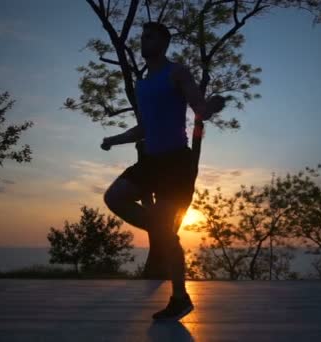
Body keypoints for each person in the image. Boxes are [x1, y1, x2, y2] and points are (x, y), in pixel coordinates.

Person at [101, 22, 225, 321]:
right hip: (151, 161)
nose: (144, 41)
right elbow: (145, 127)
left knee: (165, 232)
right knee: (114, 197)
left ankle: (180, 298)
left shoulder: (177, 72)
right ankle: (162, 231)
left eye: (150, 36)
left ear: (164, 43)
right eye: (142, 37)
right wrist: (113, 139)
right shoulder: (142, 85)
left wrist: (211, 107)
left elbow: (199, 108)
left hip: (175, 164)